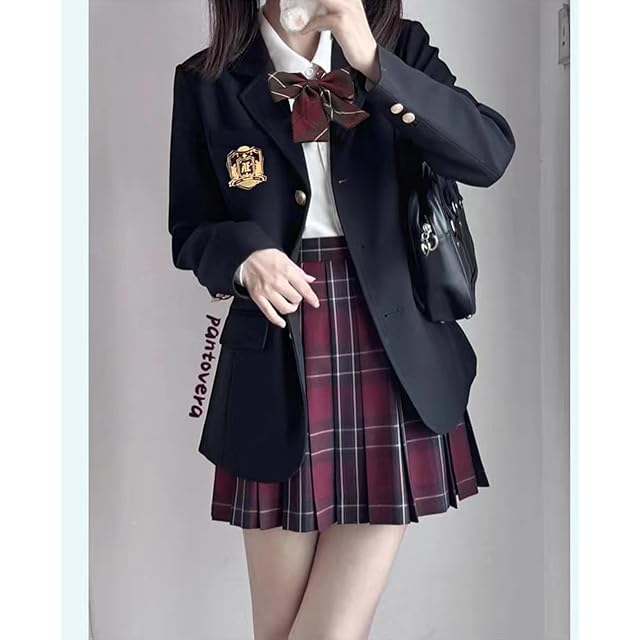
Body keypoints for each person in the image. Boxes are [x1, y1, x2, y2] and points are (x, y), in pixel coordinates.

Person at [168, 0, 516, 637]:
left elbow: (489, 154)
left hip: (390, 349)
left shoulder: (398, 46)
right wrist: (244, 258)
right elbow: (190, 228)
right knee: (278, 630)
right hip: (276, 353)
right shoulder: (206, 79)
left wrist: (373, 62)